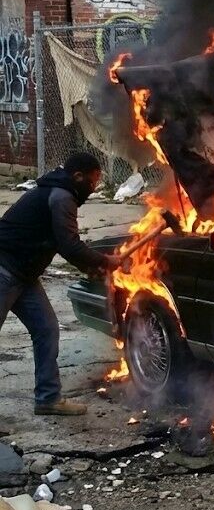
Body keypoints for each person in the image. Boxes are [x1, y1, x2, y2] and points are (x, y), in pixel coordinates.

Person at [0, 152, 118, 416]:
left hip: (24, 275)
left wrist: (91, 268)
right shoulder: (62, 197)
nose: (95, 187)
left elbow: (62, 244)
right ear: (78, 177)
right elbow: (70, 245)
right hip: (4, 269)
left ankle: (48, 399)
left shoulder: (60, 192)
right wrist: (106, 261)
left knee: (46, 329)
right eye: (93, 181)